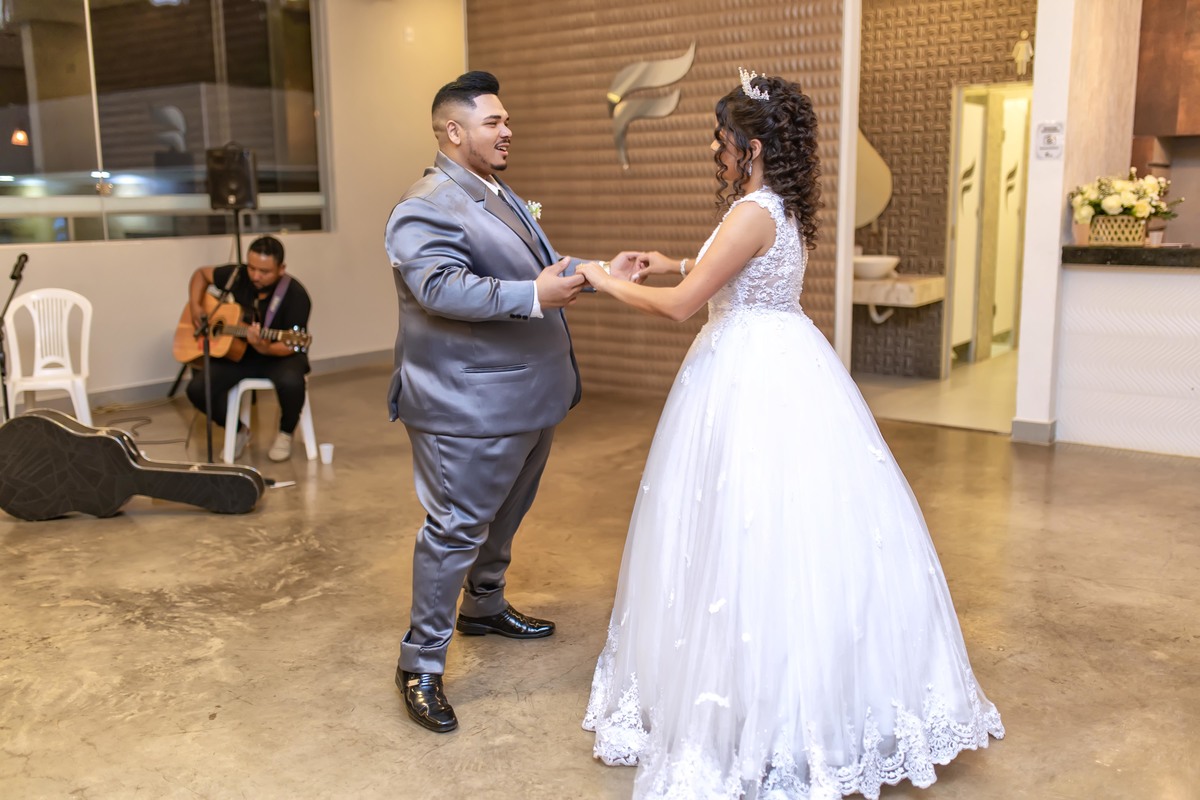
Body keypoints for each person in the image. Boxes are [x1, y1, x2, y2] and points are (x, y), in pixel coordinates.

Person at [577, 70, 1004, 799]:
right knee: (782, 530)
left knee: (745, 530)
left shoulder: (752, 211)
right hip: (781, 360)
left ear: (749, 145)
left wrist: (601, 277)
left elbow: (681, 307)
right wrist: (671, 259)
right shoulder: (779, 206)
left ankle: (759, 711)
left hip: (747, 376)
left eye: (721, 138)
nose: (715, 149)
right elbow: (731, 269)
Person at [384, 70, 639, 734]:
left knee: (504, 517)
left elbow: (534, 270)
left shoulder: (495, 191)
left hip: (524, 396)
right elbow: (439, 287)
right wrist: (533, 296)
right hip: (468, 406)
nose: (507, 131)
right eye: (493, 122)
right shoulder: (426, 205)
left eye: (505, 120)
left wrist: (598, 273)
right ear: (453, 130)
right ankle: (420, 664)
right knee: (455, 528)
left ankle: (485, 605)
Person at [184, 235, 311, 462]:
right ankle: (238, 431)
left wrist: (263, 347)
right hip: (240, 353)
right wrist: (195, 306)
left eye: (264, 271)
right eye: (252, 268)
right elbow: (201, 275)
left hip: (279, 355)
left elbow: (290, 346)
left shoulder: (296, 296)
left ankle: (285, 433)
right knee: (197, 389)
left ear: (281, 269)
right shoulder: (237, 275)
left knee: (292, 382)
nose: (255, 276)